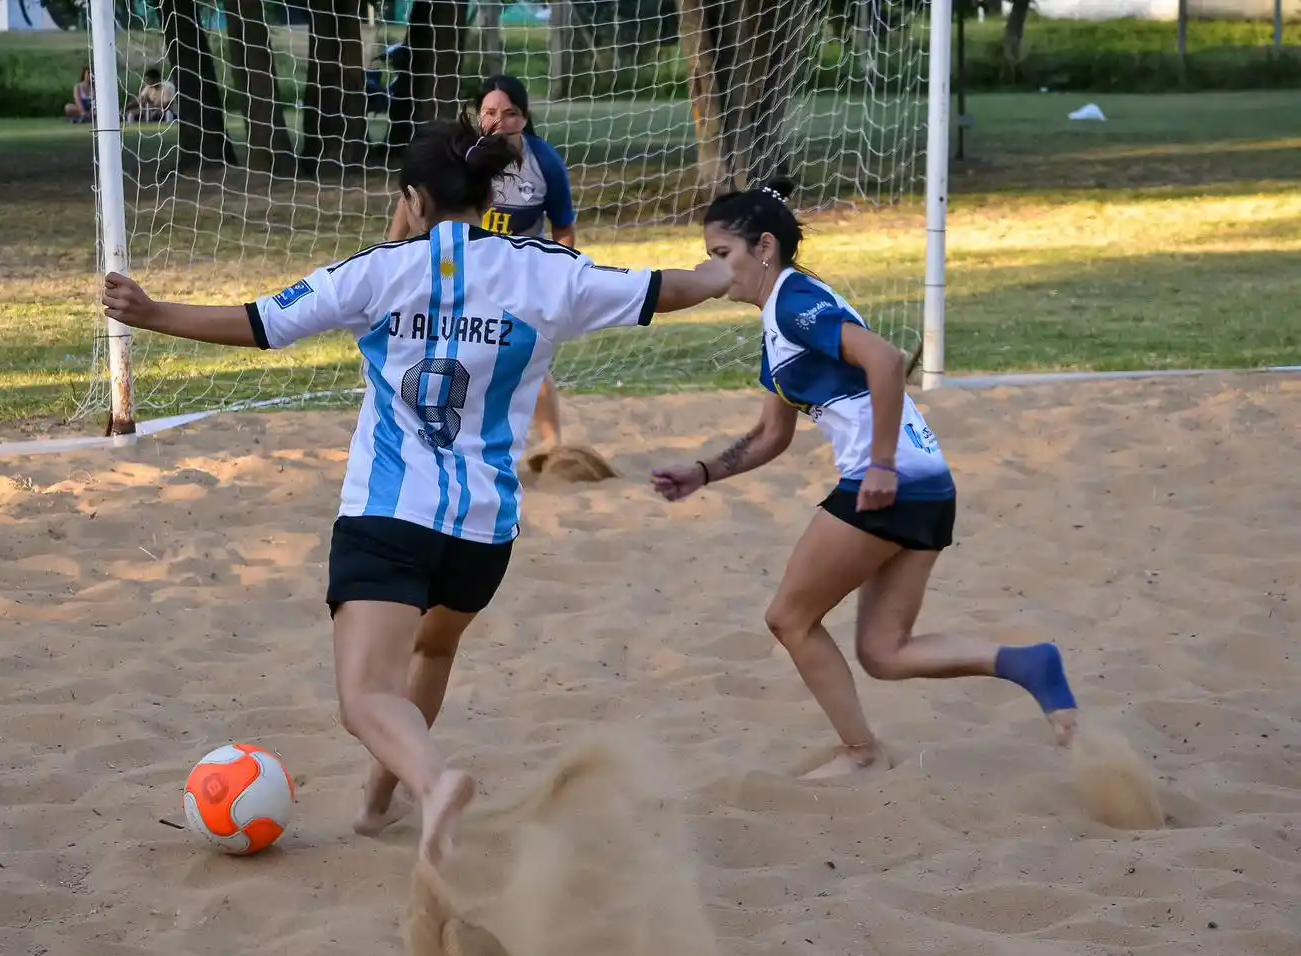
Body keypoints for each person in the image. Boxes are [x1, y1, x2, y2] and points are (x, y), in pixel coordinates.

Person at [101, 116, 731, 864]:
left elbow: (261, 323)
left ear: (413, 198)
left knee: (365, 697)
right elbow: (670, 288)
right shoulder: (548, 272)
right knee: (431, 655)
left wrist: (151, 313)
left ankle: (432, 784)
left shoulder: (381, 270)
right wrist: (733, 269)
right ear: (489, 194)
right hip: (484, 530)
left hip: (390, 515)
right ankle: (376, 806)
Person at [649, 178, 1080, 780]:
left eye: (721, 254)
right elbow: (772, 435)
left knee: (788, 618)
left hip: (889, 480)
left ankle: (861, 754)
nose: (712, 269)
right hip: (928, 485)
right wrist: (702, 473)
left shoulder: (797, 303)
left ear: (764, 246)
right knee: (884, 651)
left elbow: (884, 359)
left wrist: (878, 464)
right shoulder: (779, 323)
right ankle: (1028, 664)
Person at [386, 75, 576, 453]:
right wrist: (391, 252)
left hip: (516, 279)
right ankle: (428, 435)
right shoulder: (458, 156)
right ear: (478, 115)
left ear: (524, 119)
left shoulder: (544, 163)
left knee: (528, 362)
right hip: (455, 272)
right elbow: (412, 198)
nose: (498, 121)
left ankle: (553, 448)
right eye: (490, 112)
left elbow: (564, 229)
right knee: (438, 352)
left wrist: (559, 277)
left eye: (510, 113)